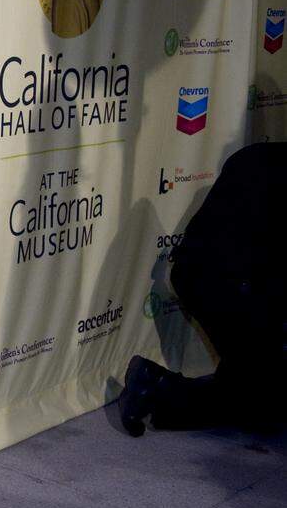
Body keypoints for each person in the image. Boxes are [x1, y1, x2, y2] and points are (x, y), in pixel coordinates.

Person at [119, 142, 287, 436]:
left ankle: (154, 386)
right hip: (228, 285)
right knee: (263, 398)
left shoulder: (264, 153)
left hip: (206, 275)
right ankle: (155, 388)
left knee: (253, 392)